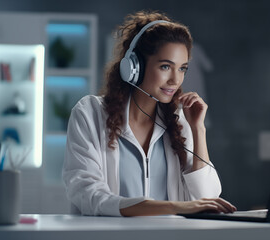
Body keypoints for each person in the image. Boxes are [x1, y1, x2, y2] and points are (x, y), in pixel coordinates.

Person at [62, 10, 236, 217]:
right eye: (165, 66)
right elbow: (89, 196)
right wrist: (174, 207)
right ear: (134, 67)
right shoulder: (90, 113)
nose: (175, 80)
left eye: (182, 69)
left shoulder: (179, 121)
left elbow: (207, 197)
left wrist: (198, 129)